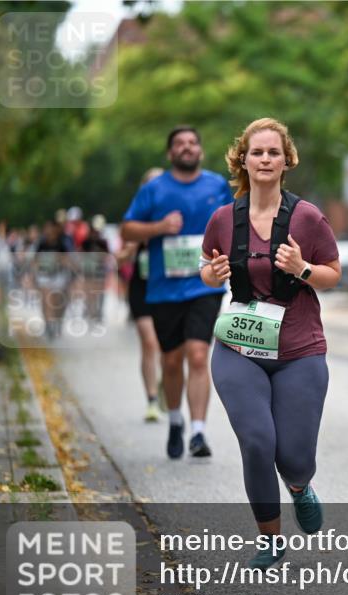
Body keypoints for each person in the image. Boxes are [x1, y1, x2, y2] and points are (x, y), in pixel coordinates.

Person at [200, 118, 340, 569]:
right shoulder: (223, 219)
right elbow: (207, 265)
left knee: (294, 458)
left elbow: (334, 274)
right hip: (239, 347)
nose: (265, 159)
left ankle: (299, 486)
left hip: (299, 350)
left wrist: (301, 267)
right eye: (256, 152)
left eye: (273, 153)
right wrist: (213, 274)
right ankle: (271, 538)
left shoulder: (307, 218)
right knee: (257, 441)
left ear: (286, 161)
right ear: (243, 159)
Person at [121, 127, 233, 458]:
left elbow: (235, 224)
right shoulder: (154, 189)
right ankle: (174, 420)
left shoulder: (216, 185)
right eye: (180, 144)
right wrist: (158, 228)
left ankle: (198, 432)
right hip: (164, 289)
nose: (187, 148)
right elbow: (127, 228)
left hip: (205, 284)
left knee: (198, 355)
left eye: (193, 143)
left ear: (200, 150)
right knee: (171, 362)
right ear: (170, 154)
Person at [117, 167, 165, 422]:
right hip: (143, 286)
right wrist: (123, 254)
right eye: (150, 184)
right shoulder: (139, 218)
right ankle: (152, 400)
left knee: (171, 349)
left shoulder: (177, 216)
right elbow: (126, 249)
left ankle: (168, 384)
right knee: (149, 342)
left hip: (171, 287)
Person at [34, 219, 75, 340]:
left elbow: (67, 259)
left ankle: (56, 322)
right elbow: (35, 260)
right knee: (46, 299)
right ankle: (48, 324)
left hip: (59, 275)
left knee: (57, 301)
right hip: (44, 275)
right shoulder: (41, 243)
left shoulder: (63, 243)